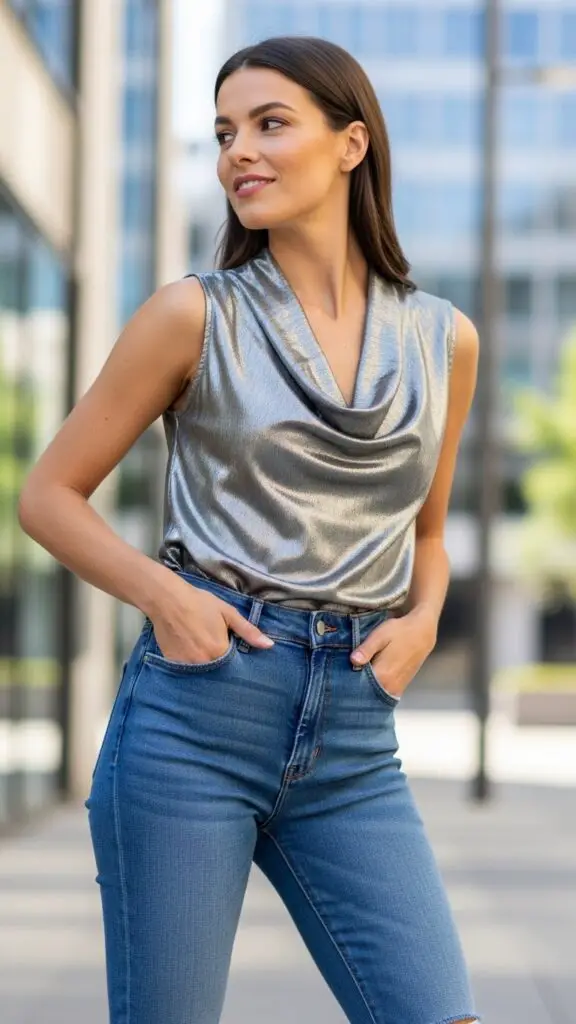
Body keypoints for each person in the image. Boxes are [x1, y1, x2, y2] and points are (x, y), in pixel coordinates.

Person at [18, 35, 480, 1024]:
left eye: (270, 124)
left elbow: (429, 534)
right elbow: (48, 493)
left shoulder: (447, 338)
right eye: (226, 131)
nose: (239, 152)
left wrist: (428, 617)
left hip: (355, 733)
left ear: (352, 144)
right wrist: (167, 596)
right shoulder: (192, 315)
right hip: (196, 718)